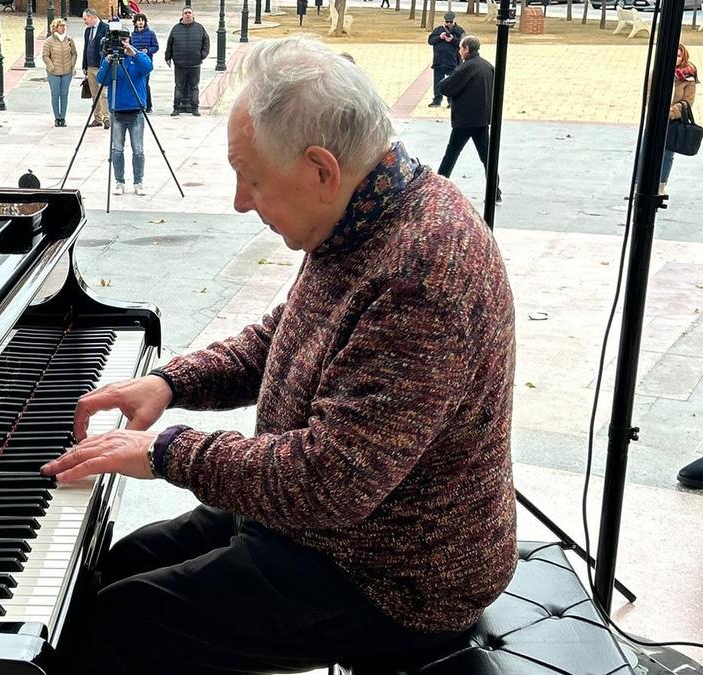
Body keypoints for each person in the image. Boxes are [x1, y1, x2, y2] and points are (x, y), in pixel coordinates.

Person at [43, 35, 517, 674]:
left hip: (396, 571)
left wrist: (164, 452)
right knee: (108, 571)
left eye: (252, 177)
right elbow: (285, 336)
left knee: (122, 623)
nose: (241, 200)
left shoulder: (423, 270)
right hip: (329, 529)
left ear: (321, 169)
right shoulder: (365, 211)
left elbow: (329, 481)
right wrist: (170, 384)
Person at [436, 35, 500, 203]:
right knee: (486, 156)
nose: (460, 51)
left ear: (466, 49)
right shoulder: (488, 66)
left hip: (465, 119)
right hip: (482, 118)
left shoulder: (465, 68)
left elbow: (446, 88)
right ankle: (495, 191)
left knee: (451, 154)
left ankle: (438, 187)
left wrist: (443, 83)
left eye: (461, 48)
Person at [98, 35, 152, 196]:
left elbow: (148, 67)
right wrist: (107, 61)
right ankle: (119, 181)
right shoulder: (112, 61)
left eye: (125, 40)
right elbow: (102, 79)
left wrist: (133, 52)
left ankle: (138, 181)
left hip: (136, 110)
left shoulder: (137, 58)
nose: (122, 44)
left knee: (138, 150)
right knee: (117, 150)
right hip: (117, 111)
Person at [658, 42, 696, 197]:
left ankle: (661, 184)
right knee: (644, 149)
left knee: (667, 153)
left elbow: (688, 102)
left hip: (672, 120)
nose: (676, 59)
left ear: (683, 57)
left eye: (679, 56)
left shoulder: (689, 78)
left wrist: (672, 112)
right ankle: (638, 183)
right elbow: (649, 94)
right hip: (656, 118)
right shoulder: (659, 71)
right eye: (674, 55)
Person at [165, 6, 209, 116]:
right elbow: (169, 43)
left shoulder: (200, 28)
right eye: (185, 13)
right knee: (179, 86)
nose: (187, 14)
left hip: (195, 64)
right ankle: (176, 108)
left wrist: (202, 55)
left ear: (193, 15)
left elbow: (206, 43)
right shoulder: (176, 28)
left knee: (194, 87)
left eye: (189, 13)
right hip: (180, 64)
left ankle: (195, 108)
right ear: (182, 15)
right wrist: (168, 57)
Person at [43, 18, 77, 127]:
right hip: (53, 72)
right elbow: (45, 55)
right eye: (61, 25)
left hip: (67, 71)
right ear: (55, 28)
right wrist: (51, 66)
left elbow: (74, 53)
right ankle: (57, 117)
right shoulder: (49, 40)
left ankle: (63, 117)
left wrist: (72, 64)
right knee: (55, 94)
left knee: (64, 95)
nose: (63, 27)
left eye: (64, 26)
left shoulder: (69, 40)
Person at [427, 11, 464, 108]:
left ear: (454, 21)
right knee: (437, 83)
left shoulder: (459, 31)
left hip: (453, 62)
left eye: (451, 22)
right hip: (438, 61)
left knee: (452, 83)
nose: (449, 24)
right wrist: (440, 37)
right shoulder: (438, 30)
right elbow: (430, 41)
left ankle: (451, 101)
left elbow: (463, 45)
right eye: (447, 21)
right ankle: (437, 100)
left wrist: (452, 40)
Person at [82, 9, 110, 129]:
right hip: (90, 66)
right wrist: (84, 65)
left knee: (103, 93)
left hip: (101, 66)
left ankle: (106, 118)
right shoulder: (88, 31)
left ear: (92, 17)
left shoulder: (106, 28)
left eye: (85, 19)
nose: (84, 22)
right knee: (94, 94)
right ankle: (97, 118)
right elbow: (86, 47)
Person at [129, 13, 159, 112]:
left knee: (145, 83)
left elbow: (155, 47)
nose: (141, 22)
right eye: (138, 20)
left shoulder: (151, 34)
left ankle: (148, 105)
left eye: (142, 20)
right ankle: (137, 104)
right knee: (135, 83)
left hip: (146, 62)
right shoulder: (132, 35)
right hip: (134, 62)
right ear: (135, 23)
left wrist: (148, 50)